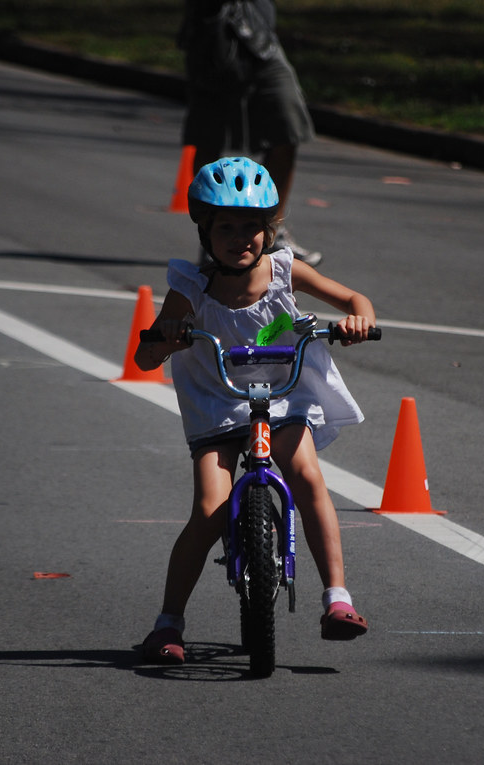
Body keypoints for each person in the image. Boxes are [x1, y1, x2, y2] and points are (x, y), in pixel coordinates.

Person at [134, 157, 376, 665]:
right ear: (205, 230)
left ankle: (337, 598)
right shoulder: (191, 289)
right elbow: (146, 354)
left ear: (269, 231)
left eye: (252, 226)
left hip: (282, 398)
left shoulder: (287, 270)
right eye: (226, 227)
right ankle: (168, 623)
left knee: (308, 475)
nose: (240, 237)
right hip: (218, 405)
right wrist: (167, 340)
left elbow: (355, 298)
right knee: (209, 508)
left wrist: (358, 319)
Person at [179, 0, 321, 265]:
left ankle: (271, 230)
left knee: (287, 127)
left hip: (261, 36)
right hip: (212, 32)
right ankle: (213, 235)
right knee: (208, 137)